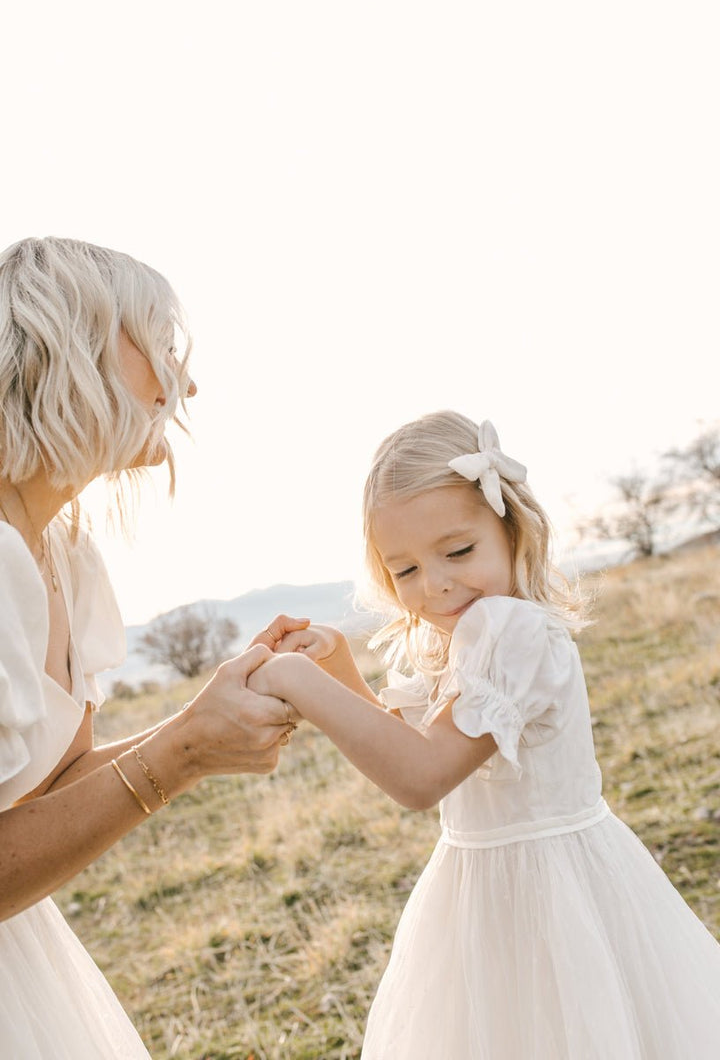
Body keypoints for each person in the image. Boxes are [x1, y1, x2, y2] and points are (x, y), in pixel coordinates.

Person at [249, 411, 720, 1059]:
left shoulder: (512, 632)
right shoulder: (467, 641)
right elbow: (404, 749)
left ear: (512, 529)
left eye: (458, 552)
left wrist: (299, 683)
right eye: (405, 570)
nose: (436, 584)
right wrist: (336, 665)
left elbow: (421, 775)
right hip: (482, 892)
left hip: (556, 894)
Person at [0, 236, 304, 1058]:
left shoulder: (62, 549)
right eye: (161, 348)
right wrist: (180, 750)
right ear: (71, 352)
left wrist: (202, 725)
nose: (187, 382)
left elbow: (43, 793)